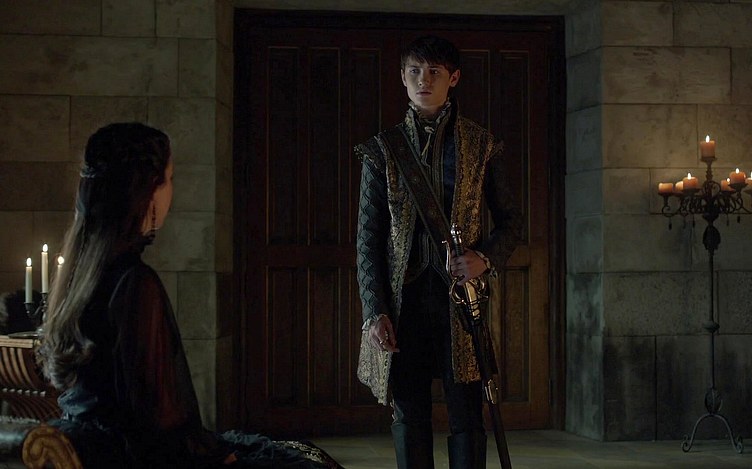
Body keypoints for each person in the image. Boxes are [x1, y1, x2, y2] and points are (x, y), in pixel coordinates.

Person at [37, 122, 343, 469]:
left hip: (105, 451)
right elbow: (158, 421)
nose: (172, 190)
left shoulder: (80, 275)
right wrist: (218, 456)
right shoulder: (134, 284)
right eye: (169, 179)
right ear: (147, 190)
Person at [355, 36, 522, 469]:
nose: (423, 80)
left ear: (454, 78)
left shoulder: (481, 146)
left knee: (467, 416)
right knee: (409, 415)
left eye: (434, 72)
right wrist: (375, 310)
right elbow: (368, 240)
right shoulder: (382, 150)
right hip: (403, 304)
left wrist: (484, 259)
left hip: (460, 304)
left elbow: (511, 223)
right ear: (402, 77)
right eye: (414, 71)